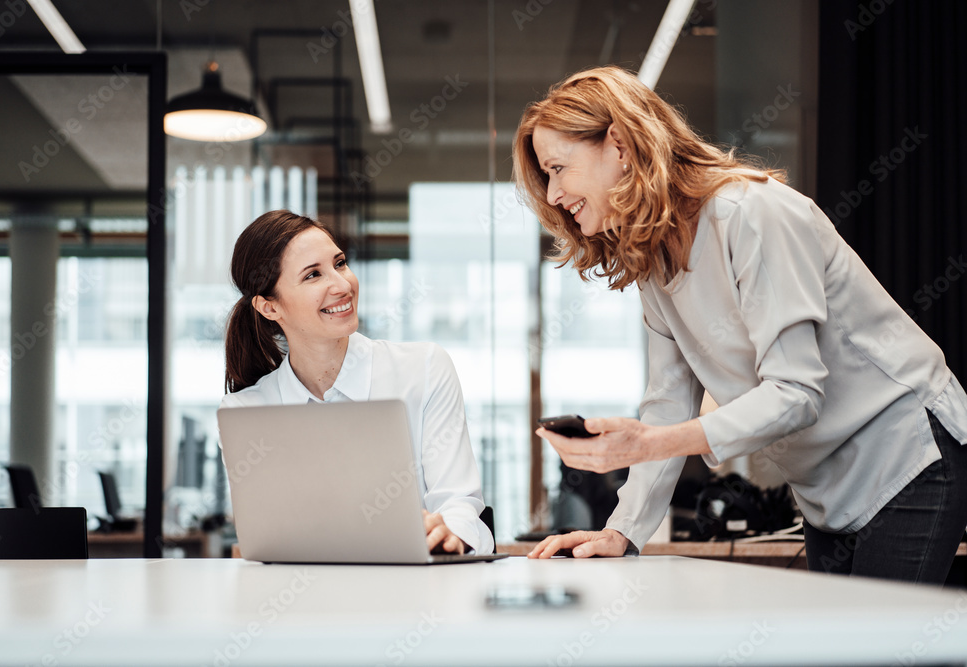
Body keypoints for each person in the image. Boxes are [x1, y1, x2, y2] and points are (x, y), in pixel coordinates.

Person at [513, 66, 967, 583]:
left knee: (879, 652)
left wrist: (651, 443)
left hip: (906, 450)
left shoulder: (751, 213)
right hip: (824, 485)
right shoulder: (653, 259)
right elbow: (666, 402)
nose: (551, 196)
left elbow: (797, 392)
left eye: (556, 168)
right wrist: (622, 530)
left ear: (618, 144)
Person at [220, 210, 493, 555]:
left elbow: (459, 503)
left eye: (340, 263)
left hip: (413, 593)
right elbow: (269, 538)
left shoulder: (423, 368)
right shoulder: (245, 413)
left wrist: (451, 533)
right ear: (269, 307)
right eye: (313, 275)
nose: (342, 284)